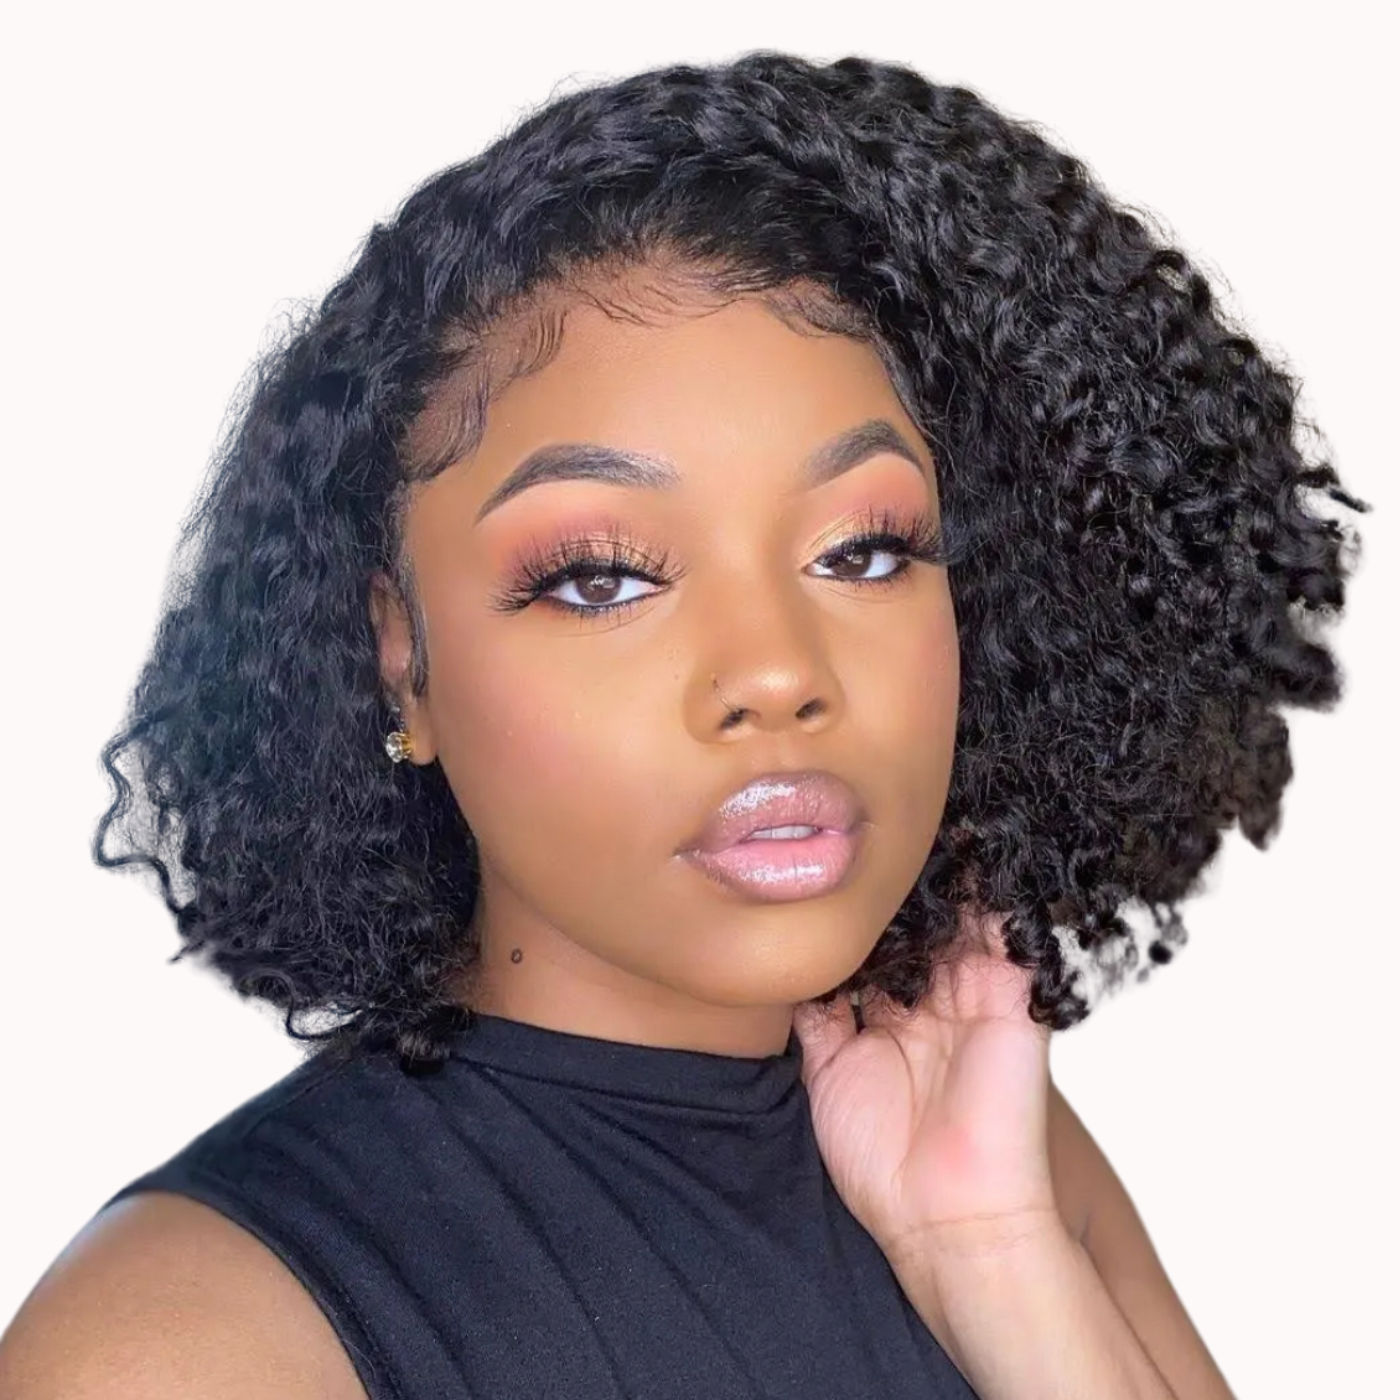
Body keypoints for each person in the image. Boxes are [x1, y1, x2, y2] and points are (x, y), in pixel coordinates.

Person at [0, 50, 1364, 1400]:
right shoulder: (186, 1342)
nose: (775, 671)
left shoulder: (999, 1155)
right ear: (398, 658)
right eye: (601, 577)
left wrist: (995, 1254)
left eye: (865, 551)